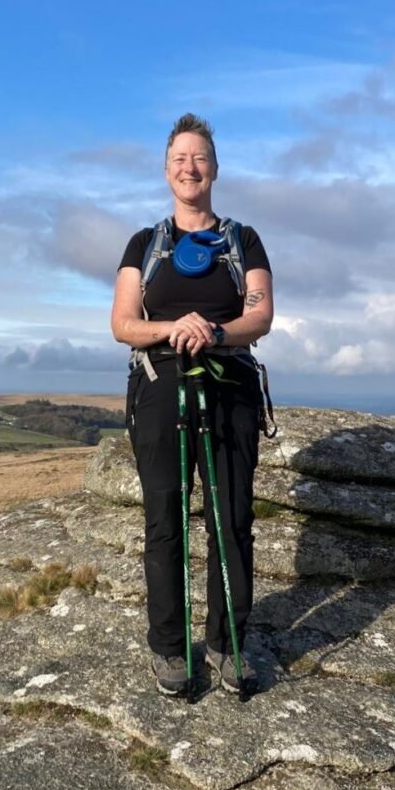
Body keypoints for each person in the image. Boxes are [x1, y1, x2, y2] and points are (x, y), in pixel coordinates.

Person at [111, 113, 273, 696]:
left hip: (229, 387)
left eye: (199, 157)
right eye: (180, 158)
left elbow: (261, 315)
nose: (190, 167)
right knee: (165, 522)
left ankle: (228, 643)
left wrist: (215, 333)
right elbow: (123, 324)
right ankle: (170, 648)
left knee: (232, 521)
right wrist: (173, 327)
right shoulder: (145, 244)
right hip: (159, 389)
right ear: (166, 170)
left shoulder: (242, 240)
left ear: (215, 168)